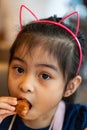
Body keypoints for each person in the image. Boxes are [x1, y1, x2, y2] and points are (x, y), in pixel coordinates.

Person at [0, 11, 87, 130]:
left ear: (70, 86)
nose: (25, 85)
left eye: (45, 76)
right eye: (19, 69)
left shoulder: (80, 121)